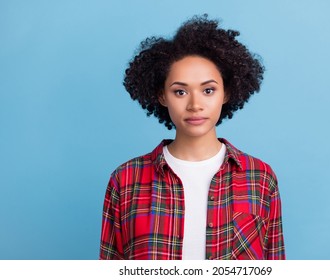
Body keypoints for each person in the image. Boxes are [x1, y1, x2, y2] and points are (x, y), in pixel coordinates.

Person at [100, 15, 285, 260]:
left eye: (208, 90)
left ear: (226, 93)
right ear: (162, 96)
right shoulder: (125, 181)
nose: (195, 104)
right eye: (180, 91)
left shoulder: (260, 178)